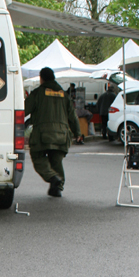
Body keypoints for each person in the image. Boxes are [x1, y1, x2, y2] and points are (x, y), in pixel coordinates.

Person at [24, 67, 82, 197]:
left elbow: (24, 110)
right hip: (62, 135)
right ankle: (58, 188)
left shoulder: (38, 93)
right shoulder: (64, 95)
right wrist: (78, 133)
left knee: (37, 156)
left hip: (43, 134)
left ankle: (52, 178)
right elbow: (72, 116)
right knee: (56, 160)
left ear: (41, 78)